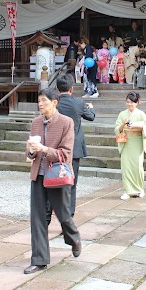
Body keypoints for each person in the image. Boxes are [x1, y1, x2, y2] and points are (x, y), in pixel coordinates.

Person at [24, 88, 82, 274]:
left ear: (54, 102)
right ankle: (39, 260)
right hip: (38, 176)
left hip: (58, 175)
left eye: (44, 101)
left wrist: (43, 149)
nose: (40, 104)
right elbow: (30, 154)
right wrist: (32, 150)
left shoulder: (66, 122)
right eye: (39, 101)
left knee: (64, 215)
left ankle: (74, 238)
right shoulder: (35, 123)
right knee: (38, 218)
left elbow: (65, 154)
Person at [53, 74, 95, 217]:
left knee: (54, 178)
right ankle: (68, 214)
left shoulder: (54, 103)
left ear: (57, 89)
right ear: (71, 89)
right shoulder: (78, 102)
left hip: (55, 147)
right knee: (71, 182)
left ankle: (53, 209)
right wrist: (91, 107)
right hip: (74, 148)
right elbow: (91, 117)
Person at [114, 91, 146, 200]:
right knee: (126, 167)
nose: (129, 104)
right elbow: (117, 129)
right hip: (126, 142)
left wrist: (140, 127)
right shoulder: (122, 114)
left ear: (137, 103)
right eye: (127, 102)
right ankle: (127, 190)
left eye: (132, 102)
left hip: (137, 141)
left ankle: (140, 189)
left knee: (137, 167)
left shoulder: (140, 114)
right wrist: (123, 124)